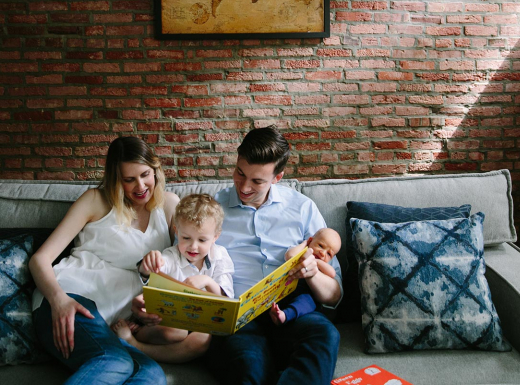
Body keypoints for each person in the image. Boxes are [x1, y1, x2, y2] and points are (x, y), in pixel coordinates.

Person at [29, 136, 204, 384]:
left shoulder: (169, 206)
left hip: (114, 323)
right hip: (71, 300)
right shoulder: (95, 201)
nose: (141, 186)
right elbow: (39, 259)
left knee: (152, 376)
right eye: (129, 179)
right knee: (114, 362)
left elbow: (190, 260)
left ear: (155, 170)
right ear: (115, 179)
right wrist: (59, 301)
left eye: (145, 175)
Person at [206, 125, 342, 384]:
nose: (244, 187)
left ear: (277, 177)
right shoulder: (213, 208)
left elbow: (334, 295)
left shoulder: (302, 208)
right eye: (239, 173)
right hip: (241, 319)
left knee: (325, 334)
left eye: (257, 181)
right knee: (248, 368)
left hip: (294, 312)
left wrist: (312, 274)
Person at [111, 194, 234, 361]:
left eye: (202, 240)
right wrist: (147, 264)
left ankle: (135, 347)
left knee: (203, 338)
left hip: (201, 326)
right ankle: (137, 336)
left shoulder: (220, 256)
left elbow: (226, 304)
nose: (193, 246)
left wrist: (207, 281)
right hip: (167, 324)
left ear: (215, 237)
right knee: (177, 331)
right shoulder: (171, 255)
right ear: (176, 230)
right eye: (186, 238)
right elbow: (155, 269)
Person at [269, 228, 341, 326]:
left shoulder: (321, 263)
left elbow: (332, 273)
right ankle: (275, 312)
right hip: (285, 288)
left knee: (308, 303)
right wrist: (304, 245)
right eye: (320, 246)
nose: (322, 253)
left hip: (305, 294)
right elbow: (289, 256)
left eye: (329, 254)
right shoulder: (301, 250)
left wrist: (315, 262)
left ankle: (284, 315)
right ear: (310, 241)